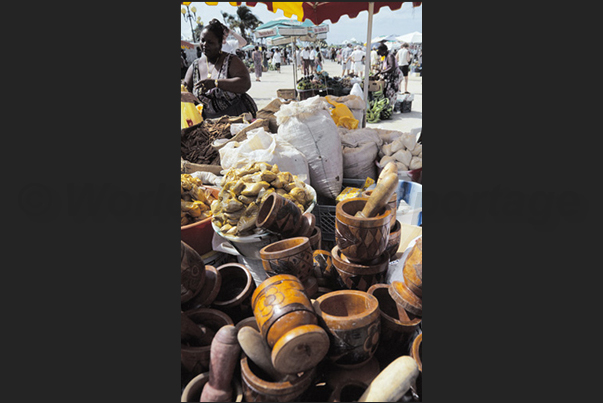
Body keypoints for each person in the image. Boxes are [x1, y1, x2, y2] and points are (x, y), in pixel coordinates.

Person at [183, 19, 257, 119]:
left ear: (220, 43)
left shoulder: (230, 60)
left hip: (236, 117)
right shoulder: (195, 66)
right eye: (202, 40)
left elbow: (245, 83)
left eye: (210, 42)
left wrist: (216, 83)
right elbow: (185, 89)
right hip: (209, 121)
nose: (205, 44)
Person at [376, 43, 401, 107]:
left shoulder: (390, 56)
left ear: (384, 51)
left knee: (391, 91)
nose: (380, 54)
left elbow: (391, 67)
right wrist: (376, 74)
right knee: (388, 91)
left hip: (394, 76)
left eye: (380, 52)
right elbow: (382, 69)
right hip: (390, 76)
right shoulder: (385, 57)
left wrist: (382, 72)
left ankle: (391, 106)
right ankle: (390, 105)